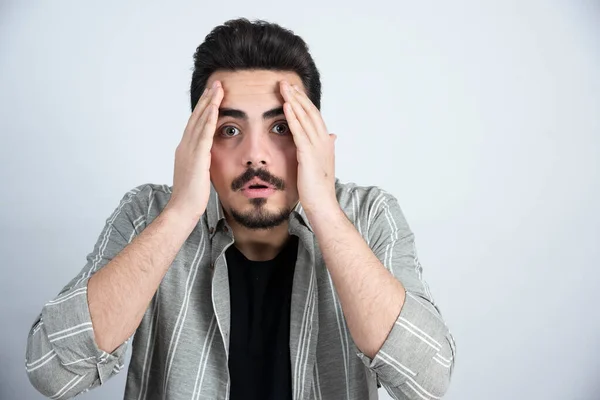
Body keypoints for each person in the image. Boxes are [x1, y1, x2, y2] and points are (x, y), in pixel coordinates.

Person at [25, 18, 456, 400]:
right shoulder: (148, 213)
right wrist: (179, 214)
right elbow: (52, 373)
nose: (256, 155)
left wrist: (324, 208)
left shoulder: (368, 215)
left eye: (281, 128)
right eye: (229, 129)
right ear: (200, 142)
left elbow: (427, 382)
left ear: (315, 137)